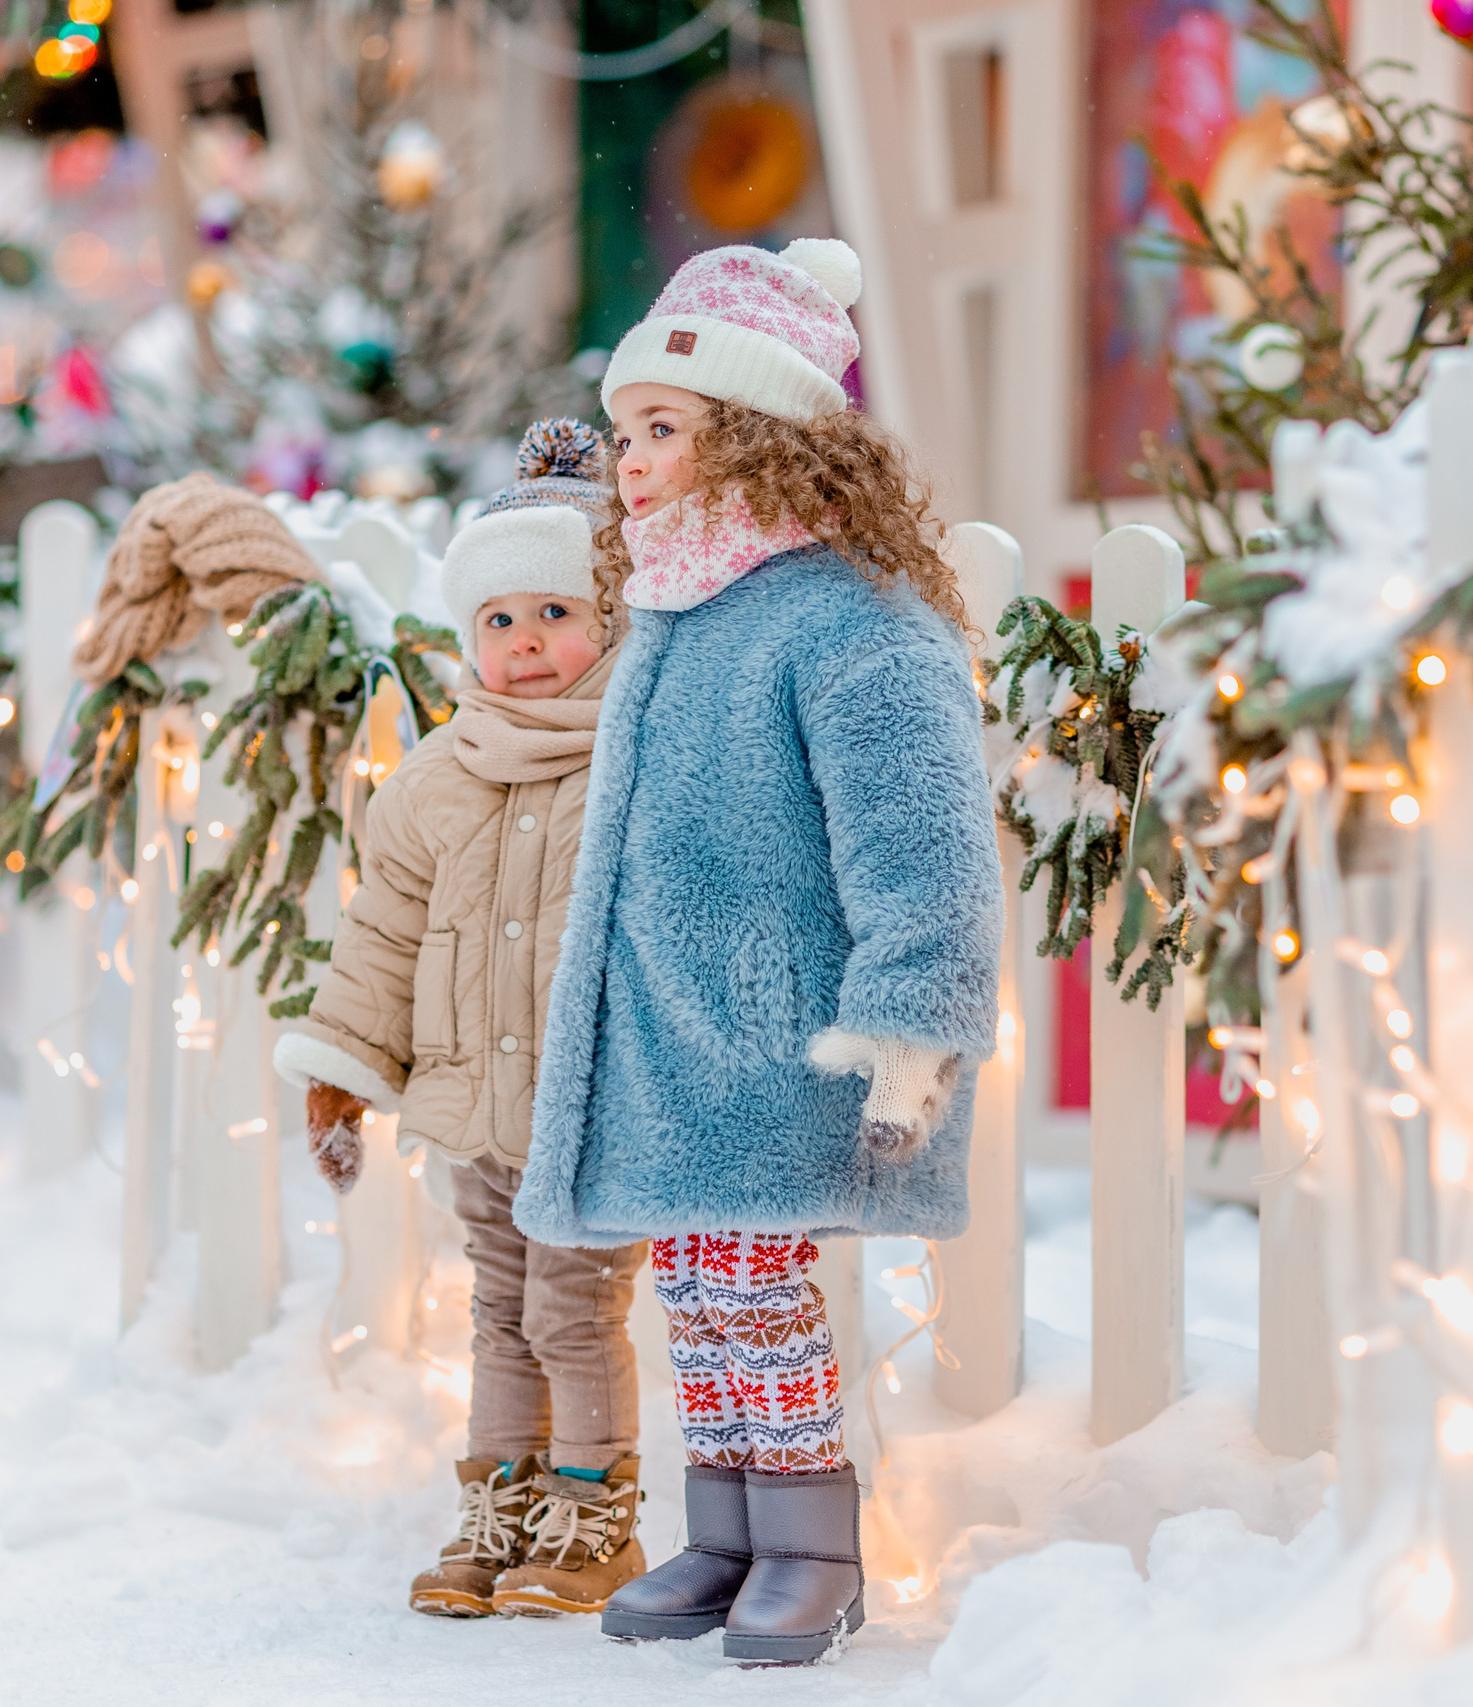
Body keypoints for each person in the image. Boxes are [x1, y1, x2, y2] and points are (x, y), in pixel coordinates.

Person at [512, 238, 1004, 1664]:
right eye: (623, 432)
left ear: (761, 431)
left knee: (756, 1287)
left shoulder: (855, 616)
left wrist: (912, 1023)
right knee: (699, 1287)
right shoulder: (680, 600)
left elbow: (922, 843)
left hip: (782, 1034)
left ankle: (808, 1541)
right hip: (675, 1033)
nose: (631, 459)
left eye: (662, 428)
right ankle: (721, 1528)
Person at [271, 421, 647, 1620]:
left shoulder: (639, 760)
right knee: (496, 1306)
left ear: (614, 622)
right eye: (499, 621)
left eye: (556, 615)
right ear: (464, 636)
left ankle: (595, 1520)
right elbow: (380, 936)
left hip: (594, 1108)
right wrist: (341, 1069)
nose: (527, 645)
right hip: (478, 1106)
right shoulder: (438, 775)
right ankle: (503, 1511)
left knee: (571, 1310)